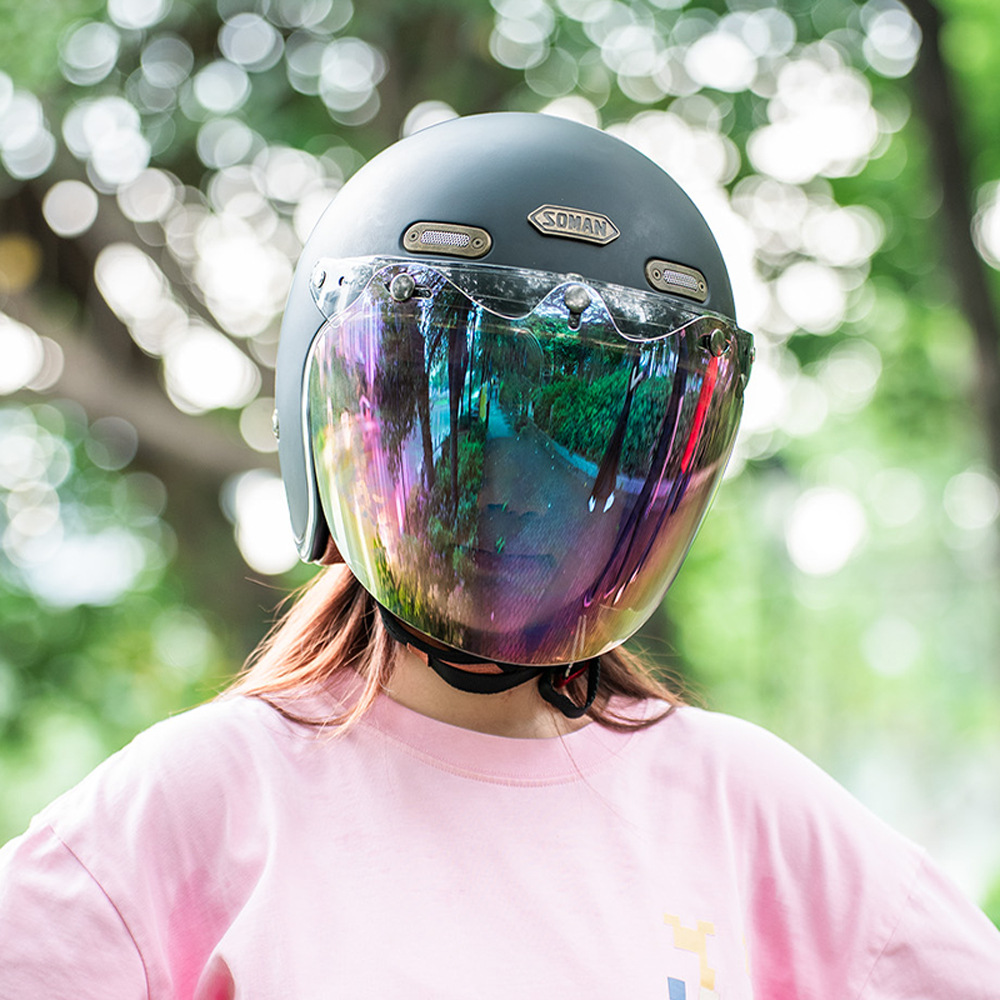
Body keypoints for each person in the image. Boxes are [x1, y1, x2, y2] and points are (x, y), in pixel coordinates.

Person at [1, 112, 998, 998]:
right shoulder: (198, 803)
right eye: (465, 423)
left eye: (580, 431)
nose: (520, 489)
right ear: (337, 428)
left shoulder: (747, 809)